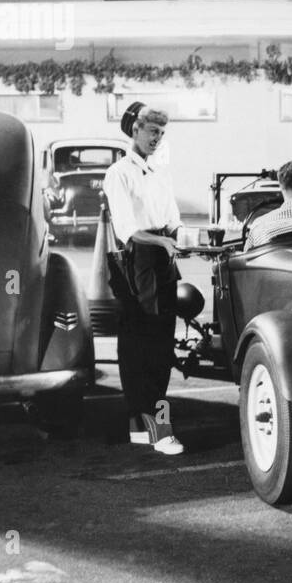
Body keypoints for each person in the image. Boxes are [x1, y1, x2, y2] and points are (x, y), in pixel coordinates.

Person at [102, 102, 185, 456]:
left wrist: (181, 235)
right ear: (135, 130)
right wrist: (162, 240)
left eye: (162, 133)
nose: (157, 138)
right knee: (143, 349)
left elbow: (172, 217)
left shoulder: (159, 171)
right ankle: (158, 431)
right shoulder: (119, 172)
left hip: (163, 258)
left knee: (162, 348)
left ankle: (142, 427)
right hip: (137, 263)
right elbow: (127, 229)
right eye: (153, 131)